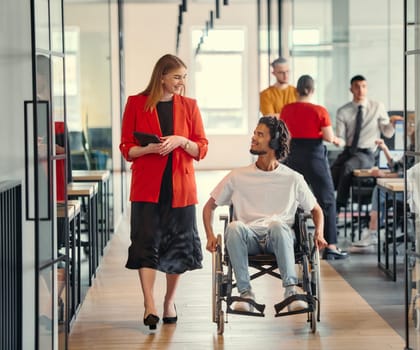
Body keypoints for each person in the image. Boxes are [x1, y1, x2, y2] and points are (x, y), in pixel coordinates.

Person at [119, 54, 208, 330]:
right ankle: (149, 304)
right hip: (147, 188)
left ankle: (169, 301)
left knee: (178, 248)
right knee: (146, 244)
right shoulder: (136, 103)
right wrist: (147, 149)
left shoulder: (190, 106)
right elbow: (126, 148)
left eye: (184, 76)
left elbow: (202, 148)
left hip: (180, 189)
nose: (182, 82)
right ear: (162, 77)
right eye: (177, 77)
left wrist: (182, 140)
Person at [203, 116, 328, 313]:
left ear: (275, 142)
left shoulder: (293, 178)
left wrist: (319, 233)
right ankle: (246, 294)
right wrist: (210, 235)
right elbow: (208, 207)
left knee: (277, 224)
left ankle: (291, 291)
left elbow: (316, 209)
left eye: (259, 134)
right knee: (234, 226)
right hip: (248, 238)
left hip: (279, 237)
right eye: (254, 133)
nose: (253, 138)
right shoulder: (237, 176)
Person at [280, 75, 347, 260]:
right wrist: (338, 140)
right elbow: (328, 136)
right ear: (311, 90)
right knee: (326, 200)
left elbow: (284, 134)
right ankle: (330, 245)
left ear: (297, 90)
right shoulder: (319, 110)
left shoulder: (286, 109)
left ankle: (294, 244)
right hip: (314, 156)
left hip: (291, 155)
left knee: (293, 200)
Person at [331, 75, 403, 210]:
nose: (360, 90)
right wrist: (336, 141)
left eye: (363, 86)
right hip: (348, 151)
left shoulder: (377, 107)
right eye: (357, 87)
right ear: (351, 89)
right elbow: (340, 137)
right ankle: (327, 205)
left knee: (347, 167)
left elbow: (387, 132)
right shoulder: (343, 111)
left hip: (366, 153)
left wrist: (392, 124)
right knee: (332, 172)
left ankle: (339, 205)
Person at [351, 113, 416, 249]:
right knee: (379, 189)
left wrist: (382, 175)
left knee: (379, 190)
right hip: (408, 189)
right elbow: (397, 167)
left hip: (412, 192)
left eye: (410, 125)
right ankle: (372, 232)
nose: (407, 128)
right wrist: (385, 148)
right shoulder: (412, 147)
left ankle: (373, 233)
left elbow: (405, 174)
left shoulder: (416, 148)